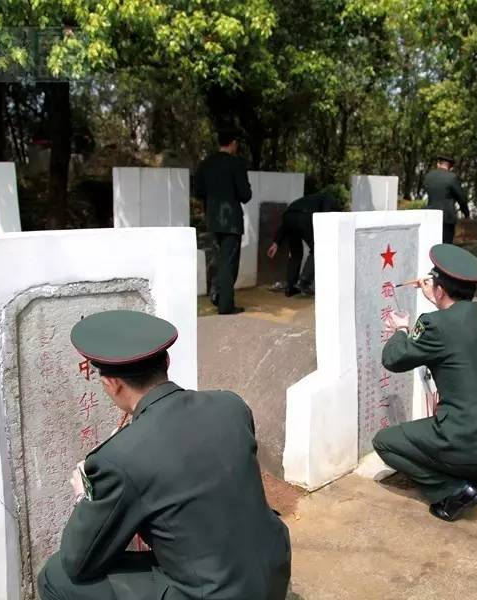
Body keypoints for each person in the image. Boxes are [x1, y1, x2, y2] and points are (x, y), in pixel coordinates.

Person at [37, 310, 291, 600]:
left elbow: (78, 562)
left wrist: (87, 496)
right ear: (167, 362)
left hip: (214, 593)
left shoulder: (118, 458)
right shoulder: (231, 405)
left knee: (56, 575)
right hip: (272, 572)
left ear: (111, 383)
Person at [372, 244, 477, 522]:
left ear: (438, 289)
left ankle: (454, 491)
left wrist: (401, 330)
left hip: (470, 441)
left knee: (385, 442)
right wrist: (438, 297)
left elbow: (393, 360)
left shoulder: (434, 325)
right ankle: (475, 476)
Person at [194, 127, 252, 315]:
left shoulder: (205, 164)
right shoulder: (236, 164)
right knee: (229, 263)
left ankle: (219, 296)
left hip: (213, 219)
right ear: (234, 143)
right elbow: (245, 195)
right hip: (231, 221)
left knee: (221, 260)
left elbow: (198, 191)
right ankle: (225, 304)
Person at [266, 186, 340, 297]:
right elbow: (326, 217)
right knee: (318, 249)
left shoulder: (311, 199)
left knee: (296, 254)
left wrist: (276, 242)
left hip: (288, 216)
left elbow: (288, 220)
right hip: (303, 217)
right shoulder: (330, 199)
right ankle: (304, 282)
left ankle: (291, 288)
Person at [423, 154, 470, 244]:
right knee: (445, 246)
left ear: (438, 164)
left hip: (430, 216)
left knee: (431, 245)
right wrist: (466, 213)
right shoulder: (452, 177)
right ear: (451, 167)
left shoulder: (428, 176)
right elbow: (461, 198)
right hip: (447, 218)